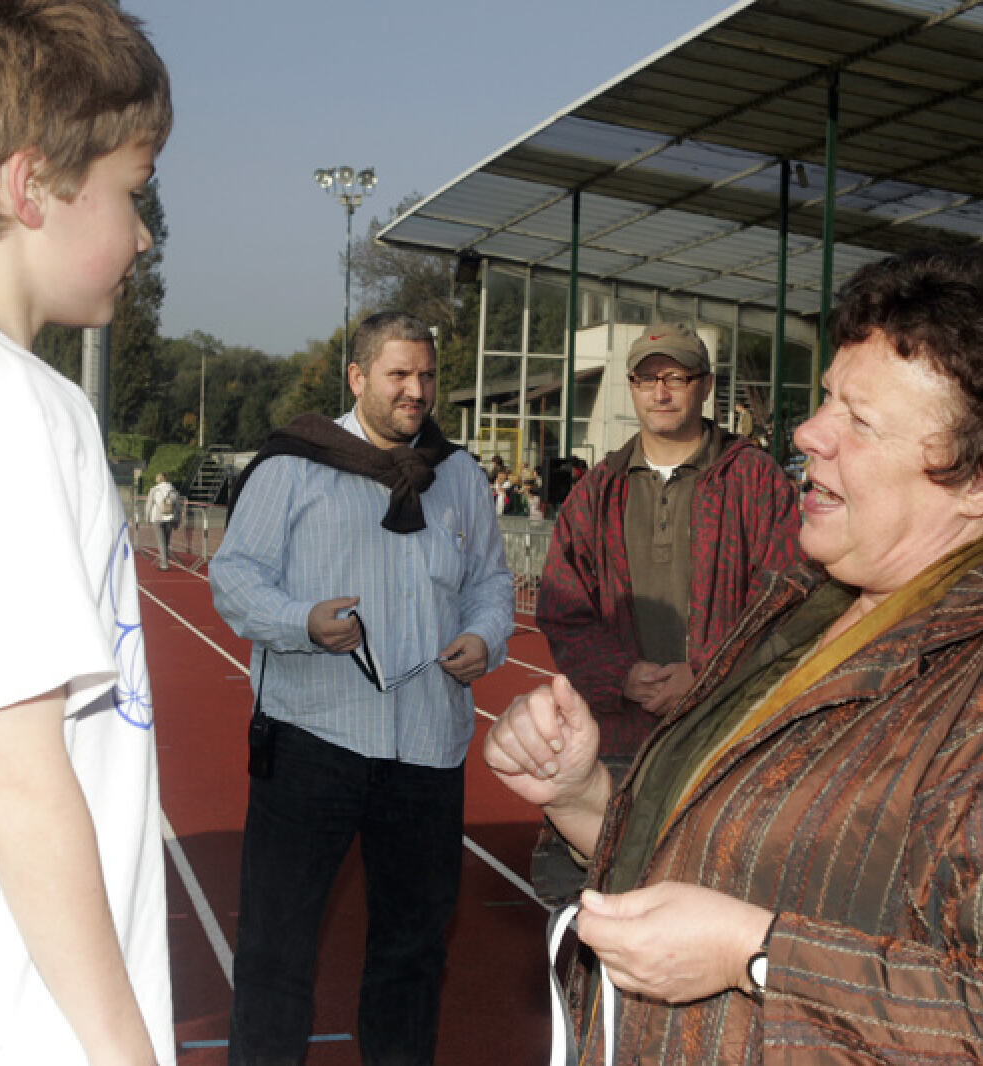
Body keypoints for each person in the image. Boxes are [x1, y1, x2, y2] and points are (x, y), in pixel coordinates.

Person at [485, 246, 983, 1063]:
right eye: (827, 399)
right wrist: (584, 801)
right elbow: (719, 862)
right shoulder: (805, 612)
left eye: (860, 420)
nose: (808, 432)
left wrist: (756, 956)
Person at [0, 2, 174, 1065]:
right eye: (131, 191)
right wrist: (125, 1052)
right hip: (27, 1023)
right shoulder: (14, 403)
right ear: (30, 187)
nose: (143, 235)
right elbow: (19, 773)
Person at [210, 311, 515, 1066]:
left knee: (414, 951)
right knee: (277, 948)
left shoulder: (460, 476)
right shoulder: (293, 466)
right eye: (398, 374)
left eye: (427, 375)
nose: (417, 390)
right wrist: (302, 622)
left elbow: (490, 582)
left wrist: (485, 636)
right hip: (312, 740)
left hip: (427, 750)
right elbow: (234, 576)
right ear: (357, 377)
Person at [537, 321, 803, 759]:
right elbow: (563, 607)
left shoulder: (755, 480)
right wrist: (621, 675)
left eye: (676, 378)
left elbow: (786, 601)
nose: (659, 393)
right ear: (632, 386)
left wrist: (706, 672)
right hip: (621, 741)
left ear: (706, 386)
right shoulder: (598, 491)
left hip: (724, 736)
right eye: (647, 379)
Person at [146, 471, 180, 570]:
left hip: (157, 518)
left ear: (159, 479)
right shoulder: (173, 490)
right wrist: (177, 520)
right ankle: (165, 559)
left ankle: (164, 564)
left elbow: (149, 505)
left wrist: (147, 518)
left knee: (161, 541)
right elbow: (177, 507)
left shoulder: (154, 490)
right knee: (166, 540)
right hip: (170, 517)